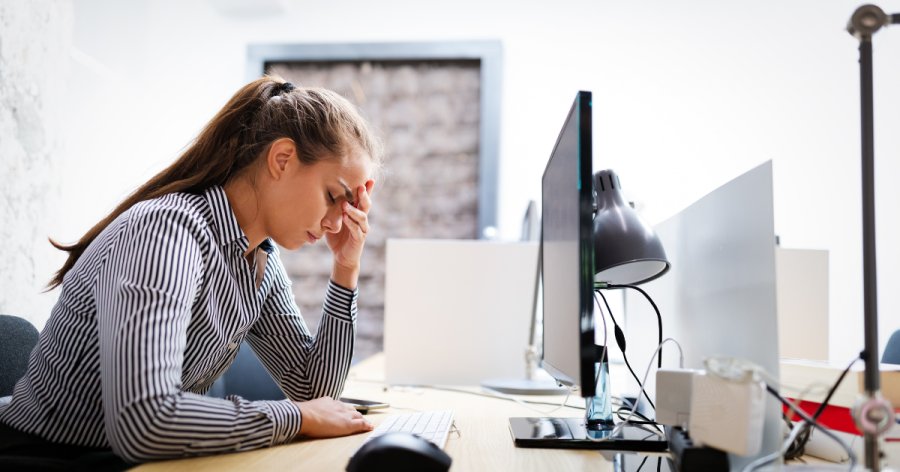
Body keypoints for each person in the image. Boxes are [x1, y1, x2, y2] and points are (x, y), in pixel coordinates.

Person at [0, 76, 382, 469]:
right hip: (46, 457)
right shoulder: (166, 232)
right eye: (334, 197)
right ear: (282, 159)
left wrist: (346, 267)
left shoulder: (258, 261)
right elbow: (143, 420)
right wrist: (296, 418)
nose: (338, 223)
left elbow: (313, 389)